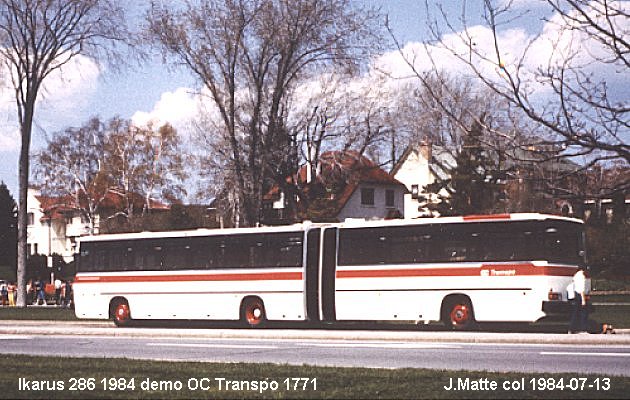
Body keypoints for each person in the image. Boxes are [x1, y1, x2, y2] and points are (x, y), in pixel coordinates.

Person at [568, 267, 589, 334]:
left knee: (575, 313)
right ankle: (583, 329)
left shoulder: (576, 275)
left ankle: (571, 328)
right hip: (580, 295)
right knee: (583, 313)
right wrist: (583, 299)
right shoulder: (581, 276)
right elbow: (581, 289)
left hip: (576, 294)